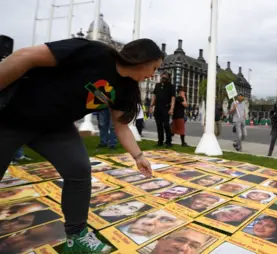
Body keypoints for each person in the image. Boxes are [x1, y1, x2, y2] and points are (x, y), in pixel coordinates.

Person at [0, 37, 161, 253]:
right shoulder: (93, 52)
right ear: (143, 58)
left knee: (79, 170)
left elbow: (121, 127)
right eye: (154, 67)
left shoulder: (127, 90)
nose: (153, 74)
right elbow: (25, 56)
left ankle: (76, 237)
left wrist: (138, 156)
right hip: (13, 117)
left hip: (56, 127)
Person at [150, 72, 175, 148]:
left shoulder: (171, 86)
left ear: (168, 78)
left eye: (165, 77)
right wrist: (151, 106)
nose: (163, 78)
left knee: (166, 125)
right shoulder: (157, 85)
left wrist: (172, 108)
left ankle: (168, 142)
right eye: (162, 77)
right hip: (157, 108)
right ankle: (160, 141)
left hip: (166, 108)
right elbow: (154, 96)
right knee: (159, 125)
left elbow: (173, 98)